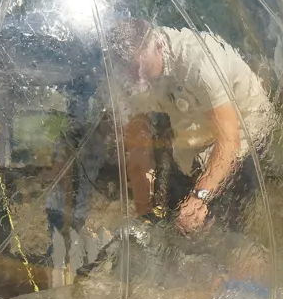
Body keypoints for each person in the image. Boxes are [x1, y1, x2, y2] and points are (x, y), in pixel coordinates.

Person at [111, 19, 273, 235]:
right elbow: (138, 148)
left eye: (138, 67)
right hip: (194, 134)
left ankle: (234, 254)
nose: (135, 77)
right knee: (179, 223)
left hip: (245, 127)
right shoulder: (127, 78)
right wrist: (144, 214)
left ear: (158, 45)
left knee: (222, 226)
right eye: (127, 70)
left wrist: (200, 197)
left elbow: (229, 140)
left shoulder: (198, 62)